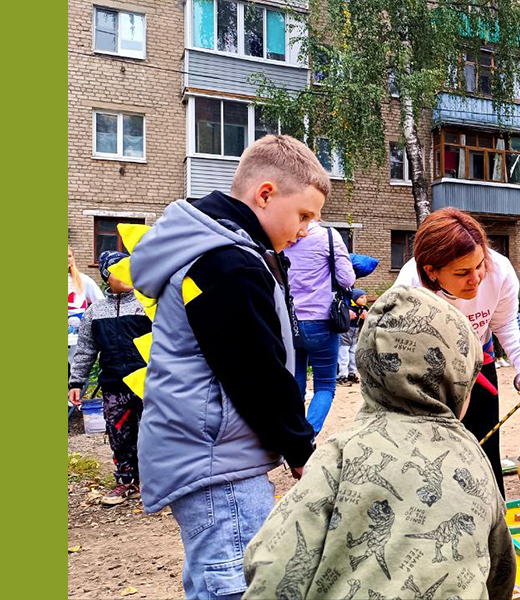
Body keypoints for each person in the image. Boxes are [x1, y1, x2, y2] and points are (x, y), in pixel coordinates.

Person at [128, 134, 323, 600]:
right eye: (303, 215)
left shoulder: (221, 249)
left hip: (208, 453)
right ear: (265, 194)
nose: (306, 229)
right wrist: (300, 448)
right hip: (219, 462)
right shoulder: (227, 263)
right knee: (237, 586)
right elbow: (255, 371)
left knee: (213, 581)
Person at [244, 286, 516, 600]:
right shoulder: (472, 456)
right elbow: (501, 570)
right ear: (455, 383)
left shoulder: (340, 452)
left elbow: (273, 560)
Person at [393, 207, 520, 495]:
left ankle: (493, 513)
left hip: (478, 359)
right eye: (462, 272)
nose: (476, 278)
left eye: (479, 265)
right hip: (427, 369)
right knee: (433, 455)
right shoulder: (410, 288)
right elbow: (396, 355)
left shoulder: (500, 270)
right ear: (432, 272)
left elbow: (505, 322)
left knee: (484, 445)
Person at [68, 250, 153, 505]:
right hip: (114, 386)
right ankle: (127, 481)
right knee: (120, 434)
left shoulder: (147, 304)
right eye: (118, 270)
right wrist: (76, 382)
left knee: (154, 434)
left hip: (149, 384)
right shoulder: (95, 312)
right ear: (107, 276)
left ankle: (158, 484)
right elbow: (86, 350)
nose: (126, 274)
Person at [284, 220, 355, 434]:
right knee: (324, 385)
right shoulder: (328, 236)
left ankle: (293, 434)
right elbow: (346, 279)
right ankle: (308, 437)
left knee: (295, 380)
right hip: (322, 320)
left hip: (289, 320)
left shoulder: (283, 234)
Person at [68, 246, 104, 376]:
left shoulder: (84, 280)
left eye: (69, 256)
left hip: (77, 340)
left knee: (75, 376)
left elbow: (100, 304)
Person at [337, 289, 368, 385]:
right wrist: (347, 316)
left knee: (353, 354)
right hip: (345, 333)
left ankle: (352, 373)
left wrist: (365, 316)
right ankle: (342, 375)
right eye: (361, 297)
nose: (364, 299)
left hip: (354, 334)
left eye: (365, 297)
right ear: (354, 299)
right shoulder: (348, 308)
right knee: (344, 355)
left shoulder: (362, 309)